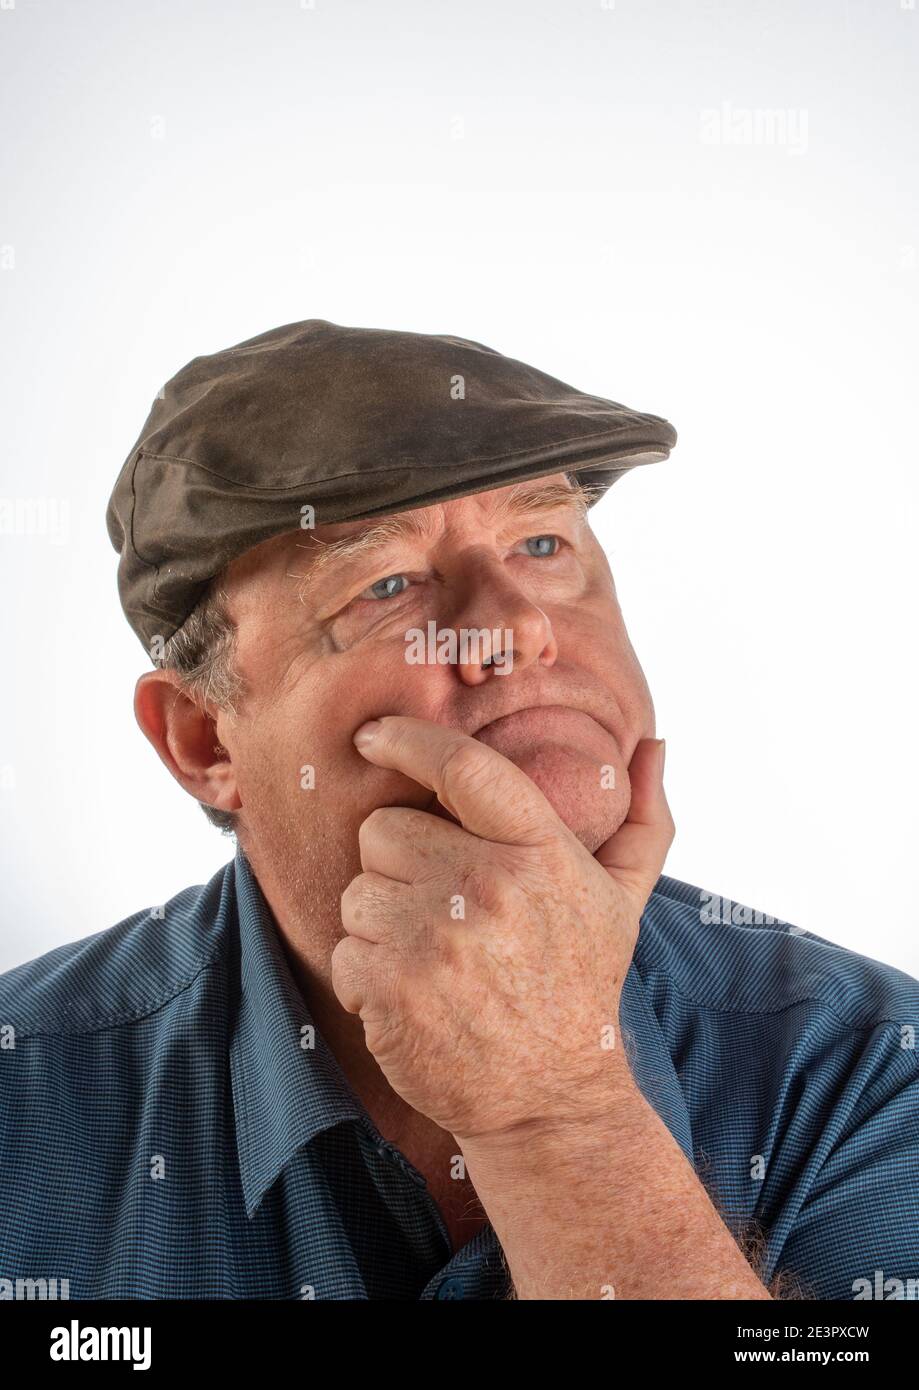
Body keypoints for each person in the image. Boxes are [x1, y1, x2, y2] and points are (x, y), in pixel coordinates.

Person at [1, 320, 916, 1301]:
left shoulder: (870, 1069)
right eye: (387, 583)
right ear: (204, 741)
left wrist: (560, 1118)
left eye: (541, 543)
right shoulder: (25, 1103)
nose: (517, 625)